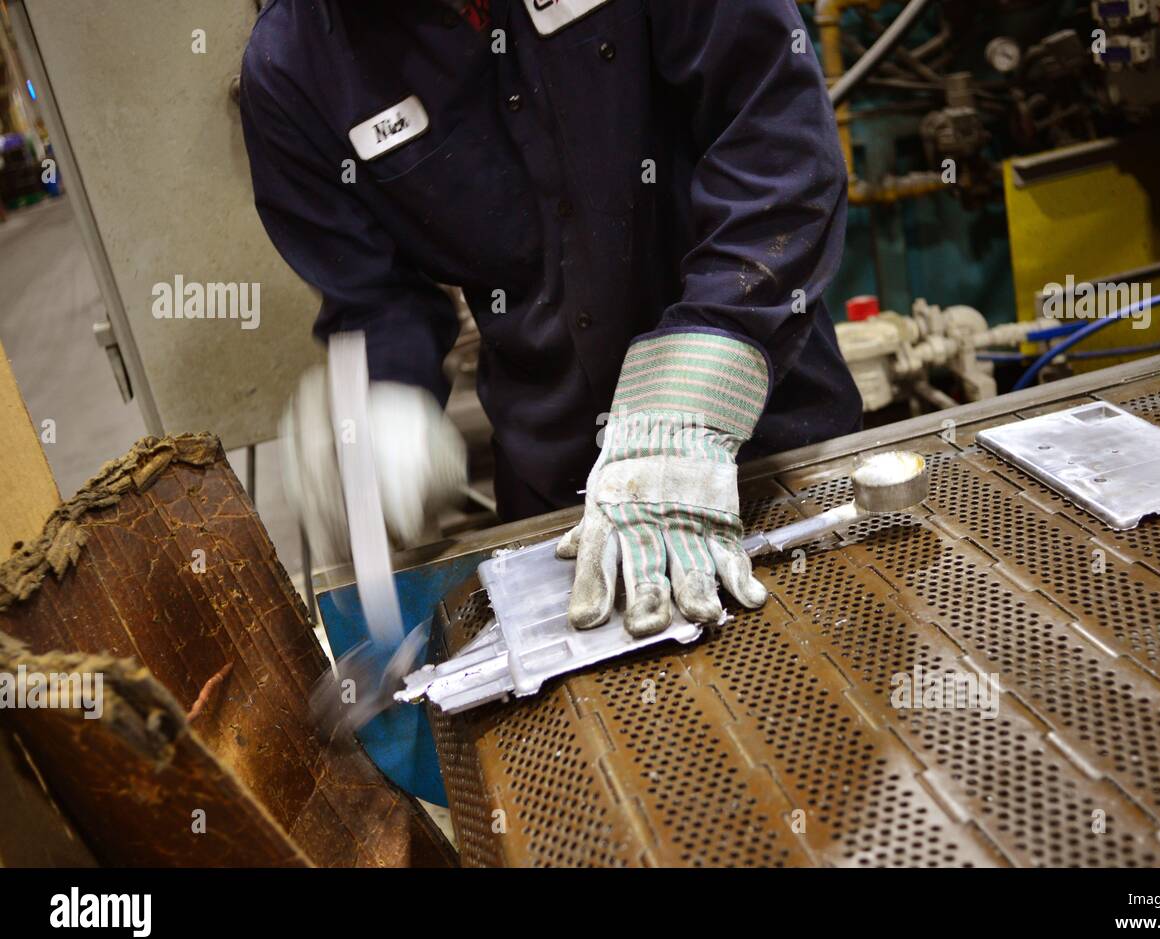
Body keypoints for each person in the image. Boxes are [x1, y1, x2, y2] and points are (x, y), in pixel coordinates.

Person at [240, 0, 861, 637]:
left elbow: (775, 144)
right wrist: (380, 401)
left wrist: (694, 385)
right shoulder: (293, 67)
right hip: (557, 483)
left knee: (830, 665)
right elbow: (375, 297)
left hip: (764, 428)